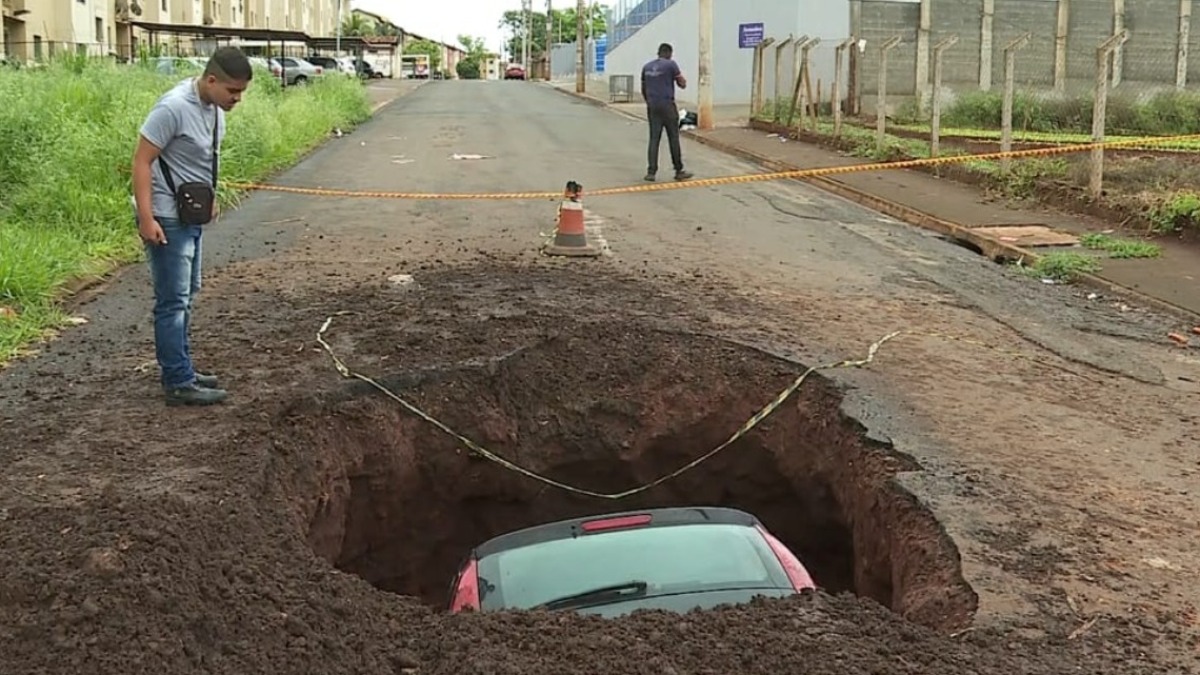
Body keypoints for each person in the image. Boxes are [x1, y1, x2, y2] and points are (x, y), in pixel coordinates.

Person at [131, 47, 253, 406]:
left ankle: (181, 366)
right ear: (211, 80)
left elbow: (203, 160)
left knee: (186, 296)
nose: (237, 99)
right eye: (233, 91)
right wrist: (146, 217)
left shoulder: (214, 110)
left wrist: (211, 197)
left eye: (242, 92)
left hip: (191, 215)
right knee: (173, 301)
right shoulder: (172, 108)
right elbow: (141, 161)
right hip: (167, 217)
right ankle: (178, 381)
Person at [640, 42, 693, 182]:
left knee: (654, 139)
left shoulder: (646, 67)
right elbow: (682, 83)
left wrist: (650, 102)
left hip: (652, 106)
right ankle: (678, 170)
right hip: (668, 106)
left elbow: (643, 88)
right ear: (669, 53)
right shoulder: (671, 65)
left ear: (658, 53)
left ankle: (651, 172)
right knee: (673, 138)